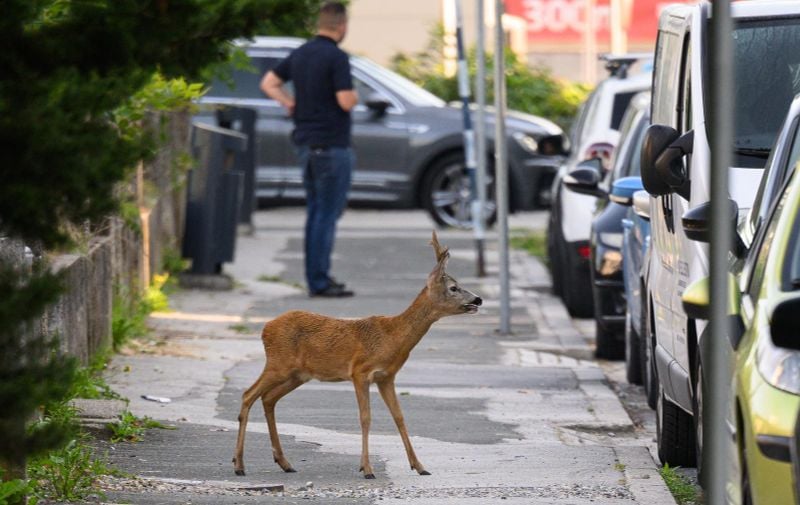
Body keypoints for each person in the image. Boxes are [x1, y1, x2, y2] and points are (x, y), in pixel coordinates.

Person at [260, 2, 358, 298]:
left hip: (306, 144)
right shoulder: (337, 57)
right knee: (327, 214)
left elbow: (269, 82)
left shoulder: (300, 54)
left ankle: (316, 277)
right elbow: (345, 101)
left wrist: (290, 103)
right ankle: (320, 281)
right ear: (341, 26)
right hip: (332, 145)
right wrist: (355, 96)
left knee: (316, 211)